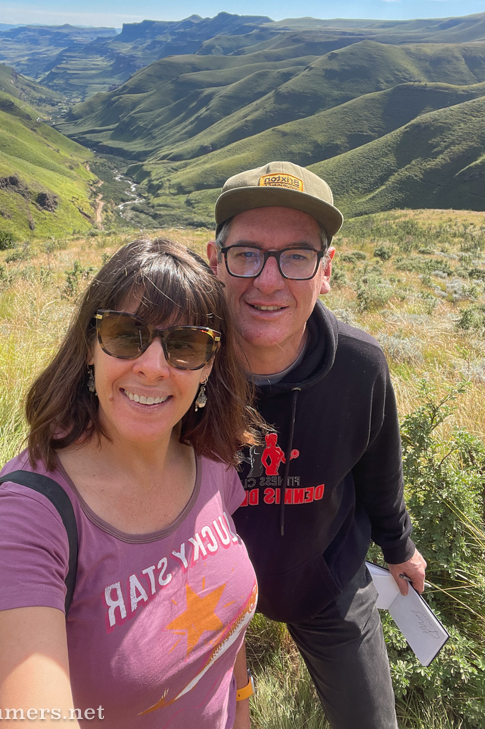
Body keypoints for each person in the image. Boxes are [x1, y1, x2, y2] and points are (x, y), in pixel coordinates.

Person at [0, 238, 260, 729]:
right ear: (89, 347)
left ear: (210, 364)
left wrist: (244, 704)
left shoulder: (212, 464)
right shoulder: (26, 516)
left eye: (186, 345)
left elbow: (224, 619)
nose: (151, 365)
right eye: (126, 335)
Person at [206, 161, 427, 729]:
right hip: (204, 587)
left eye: (297, 256)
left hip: (327, 575)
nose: (269, 280)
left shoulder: (359, 365)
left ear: (326, 270)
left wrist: (399, 547)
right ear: (214, 260)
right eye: (247, 253)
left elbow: (378, 466)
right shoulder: (185, 364)